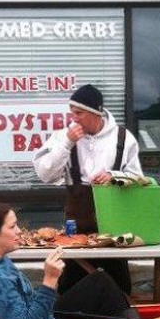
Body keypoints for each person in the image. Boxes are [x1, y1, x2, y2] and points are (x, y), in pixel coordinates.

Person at [0, 202, 138, 319]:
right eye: (12, 226)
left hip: (41, 317)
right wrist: (49, 281)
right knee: (103, 286)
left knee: (99, 281)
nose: (19, 231)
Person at [33, 83, 142, 294]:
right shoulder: (62, 136)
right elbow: (44, 173)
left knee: (118, 291)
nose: (73, 118)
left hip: (114, 229)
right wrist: (66, 144)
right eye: (72, 112)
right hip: (76, 231)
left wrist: (114, 176)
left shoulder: (123, 137)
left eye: (79, 113)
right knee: (71, 292)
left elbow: (139, 180)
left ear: (96, 113)